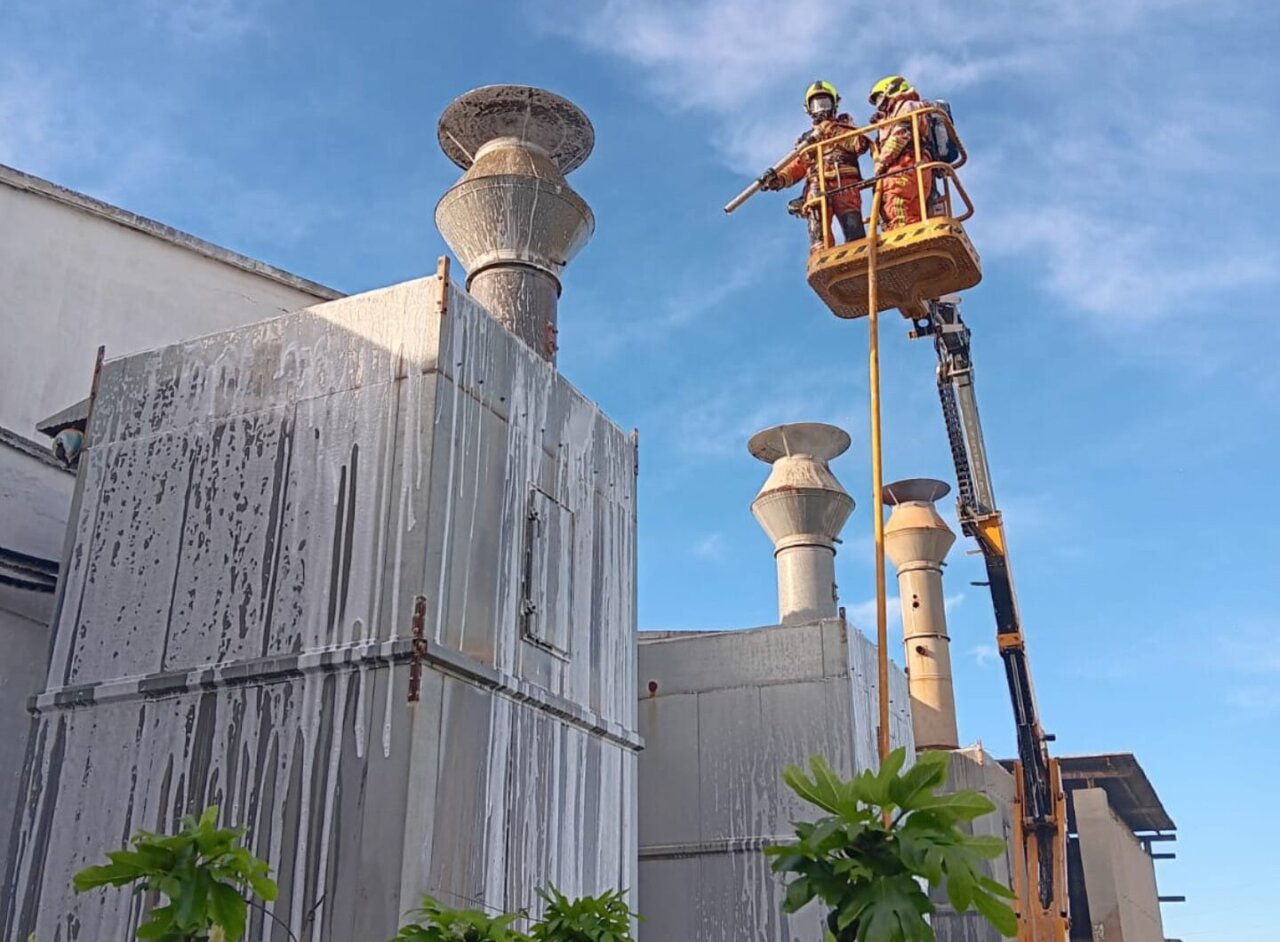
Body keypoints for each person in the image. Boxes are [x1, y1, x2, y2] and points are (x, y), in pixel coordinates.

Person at [759, 81, 869, 253]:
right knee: (816, 217)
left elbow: (859, 145)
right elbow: (799, 164)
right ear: (809, 110)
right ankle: (821, 253)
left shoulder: (846, 127)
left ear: (834, 105)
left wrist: (832, 131)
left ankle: (859, 253)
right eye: (816, 105)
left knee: (852, 223)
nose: (821, 109)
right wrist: (778, 178)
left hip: (844, 184)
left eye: (825, 103)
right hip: (817, 185)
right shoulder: (807, 139)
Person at [867, 74, 933, 230]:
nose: (879, 105)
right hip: (916, 164)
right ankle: (916, 235)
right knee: (912, 209)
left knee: (896, 201)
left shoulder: (907, 106)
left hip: (906, 164)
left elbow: (901, 134)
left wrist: (882, 161)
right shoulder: (902, 111)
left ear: (891, 91)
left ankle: (904, 237)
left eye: (880, 98)